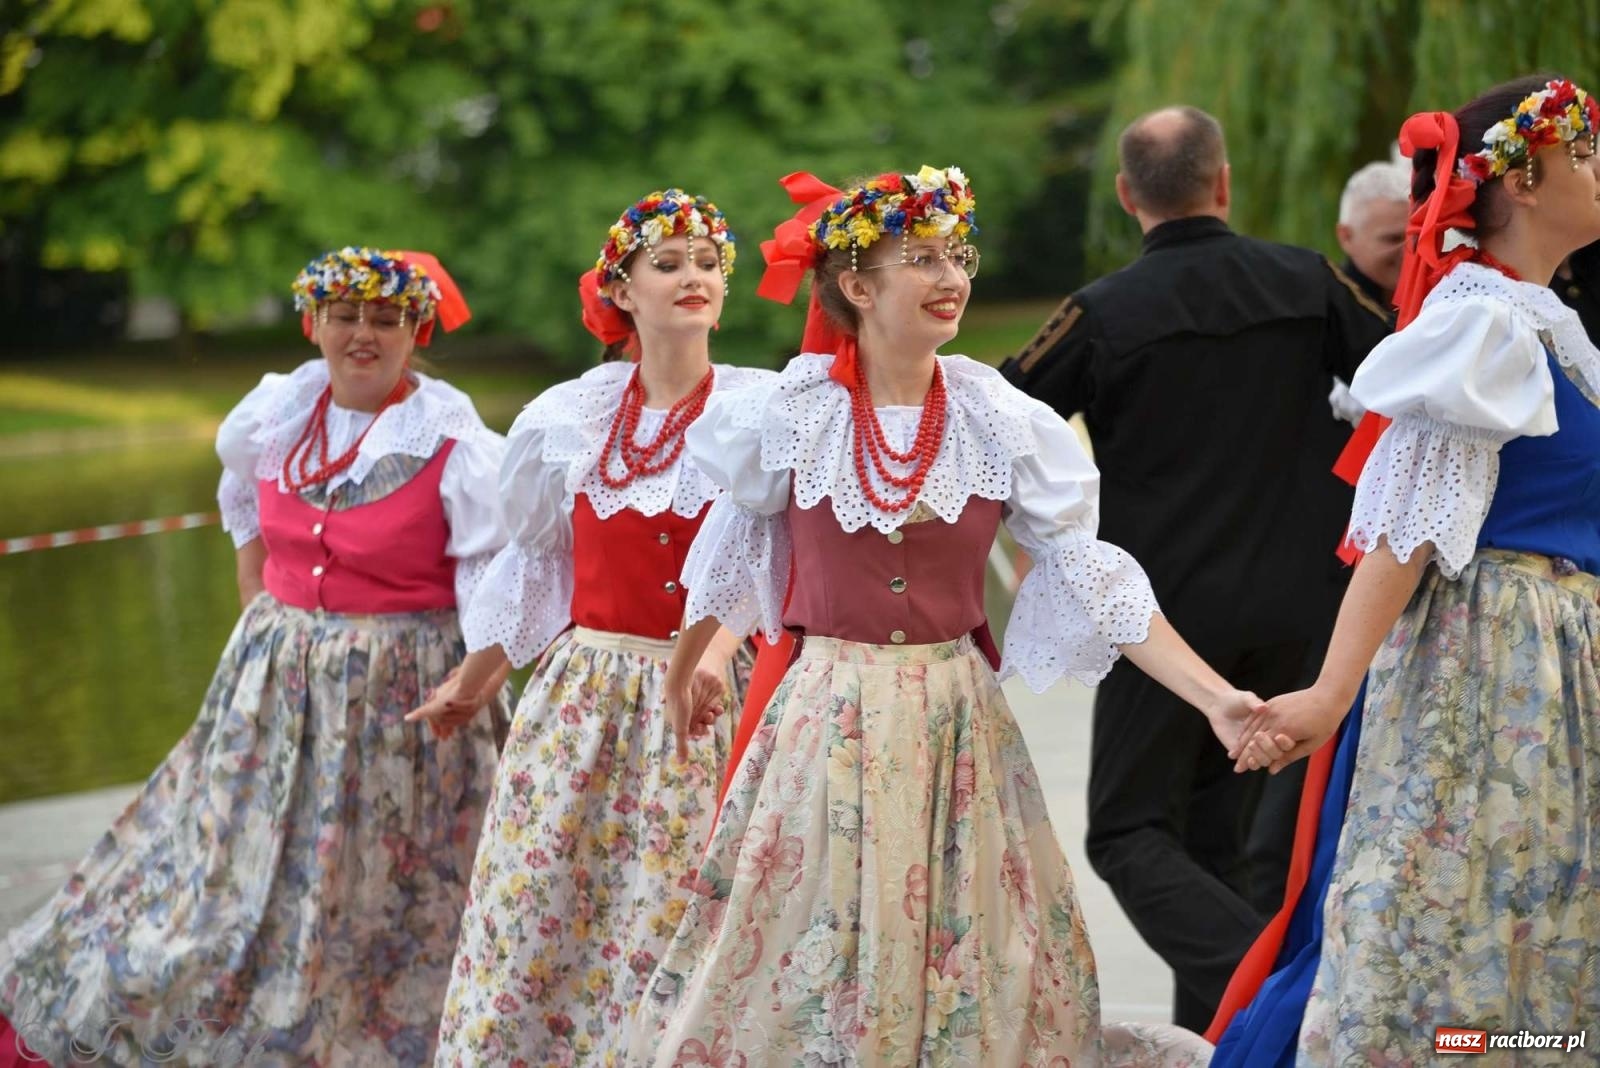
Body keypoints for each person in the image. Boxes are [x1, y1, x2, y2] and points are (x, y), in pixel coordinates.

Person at [627, 164, 1262, 1066]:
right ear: (856, 285)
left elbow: (1093, 578)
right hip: (830, 714)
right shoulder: (796, 411)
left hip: (955, 715)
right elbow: (732, 558)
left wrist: (1216, 698)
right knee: (815, 937)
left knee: (972, 945)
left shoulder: (992, 412)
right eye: (921, 258)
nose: (952, 277)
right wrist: (690, 664)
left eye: (957, 255)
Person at [0, 247, 511, 1065]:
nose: (363, 335)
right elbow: (240, 496)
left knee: (380, 881)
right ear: (314, 324)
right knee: (230, 866)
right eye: (345, 316)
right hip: (275, 676)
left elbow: (498, 570)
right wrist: (257, 598)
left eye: (386, 319)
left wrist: (476, 677)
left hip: (399, 688)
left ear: (417, 330)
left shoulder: (456, 440)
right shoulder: (277, 413)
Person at [1223, 75, 1600, 1065]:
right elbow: (1400, 532)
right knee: (1453, 922)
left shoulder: (1543, 323)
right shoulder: (1481, 329)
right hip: (1490, 671)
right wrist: (1326, 694)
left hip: (1560, 667)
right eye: (1586, 152)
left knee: (1538, 921)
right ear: (1517, 180)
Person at [998, 106, 1391, 1031]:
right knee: (1219, 845)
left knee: (1128, 832)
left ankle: (1286, 992)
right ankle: (1227, 1040)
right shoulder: (1306, 278)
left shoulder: (1102, 313)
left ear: (1129, 196)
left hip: (1169, 623)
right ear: (1222, 183)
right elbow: (1401, 381)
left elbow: (1003, 417)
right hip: (1307, 607)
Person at [410, 190, 771, 1067]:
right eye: (669, 263)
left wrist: (721, 652)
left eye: (707, 264)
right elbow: (539, 566)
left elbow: (777, 563)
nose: (694, 278)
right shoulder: (567, 417)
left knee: (692, 911)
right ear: (623, 289)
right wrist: (478, 676)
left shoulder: (763, 411)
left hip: (715, 696)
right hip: (590, 700)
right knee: (553, 903)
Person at [1329, 158, 1409, 425]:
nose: (1410, 251)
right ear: (1346, 237)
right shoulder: (1327, 314)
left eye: (1416, 236)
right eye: (1393, 239)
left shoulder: (1439, 301)